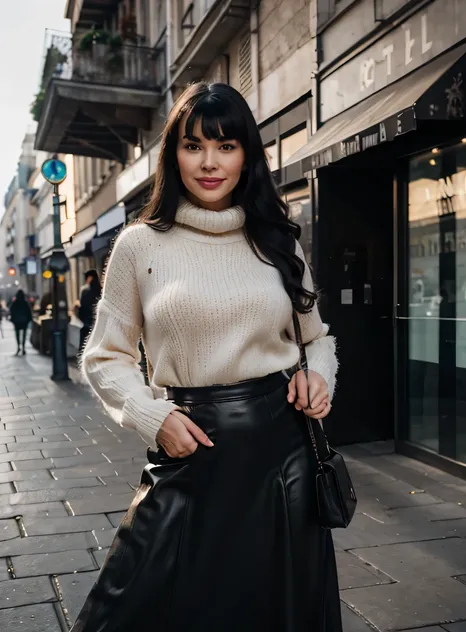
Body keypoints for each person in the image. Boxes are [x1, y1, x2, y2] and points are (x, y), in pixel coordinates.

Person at [75, 82, 342, 631]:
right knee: (142, 605)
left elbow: (316, 337)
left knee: (279, 609)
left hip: (283, 454)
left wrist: (318, 376)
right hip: (189, 446)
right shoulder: (140, 244)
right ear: (174, 154)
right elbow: (105, 357)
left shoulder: (277, 240)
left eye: (226, 145)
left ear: (247, 155)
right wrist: (154, 418)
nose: (210, 162)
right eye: (193, 145)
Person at [78, 269, 101, 352]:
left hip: (88, 324)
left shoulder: (85, 291)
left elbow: (82, 308)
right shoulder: (102, 291)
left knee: (85, 348)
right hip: (100, 326)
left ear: (90, 278)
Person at [9, 290, 32, 356]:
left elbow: (12, 311)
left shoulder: (15, 303)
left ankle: (19, 346)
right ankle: (23, 347)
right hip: (24, 321)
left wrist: (12, 319)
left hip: (17, 321)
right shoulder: (25, 303)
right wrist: (29, 319)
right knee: (24, 335)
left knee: (17, 335)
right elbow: (29, 311)